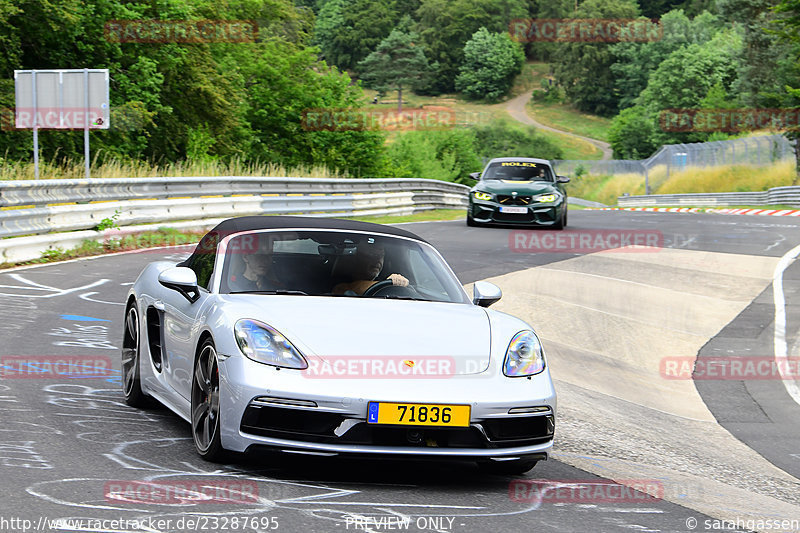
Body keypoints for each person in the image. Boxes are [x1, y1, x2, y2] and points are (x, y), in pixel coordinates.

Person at [332, 241, 408, 295]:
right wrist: (388, 284)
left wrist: (398, 282)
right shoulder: (341, 282)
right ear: (358, 258)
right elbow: (342, 289)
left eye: (381, 255)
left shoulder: (384, 280)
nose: (378, 260)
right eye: (372, 255)